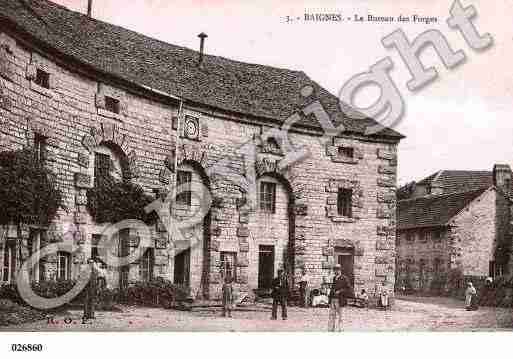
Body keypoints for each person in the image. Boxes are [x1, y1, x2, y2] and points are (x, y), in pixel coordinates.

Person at [328, 264, 351, 332]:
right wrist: (330, 298)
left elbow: (348, 288)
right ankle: (331, 329)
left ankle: (341, 330)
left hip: (340, 300)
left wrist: (340, 291)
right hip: (333, 300)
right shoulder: (334, 278)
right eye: (335, 269)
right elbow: (332, 288)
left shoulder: (345, 278)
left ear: (340, 270)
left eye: (337, 269)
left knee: (341, 316)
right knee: (332, 315)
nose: (336, 271)